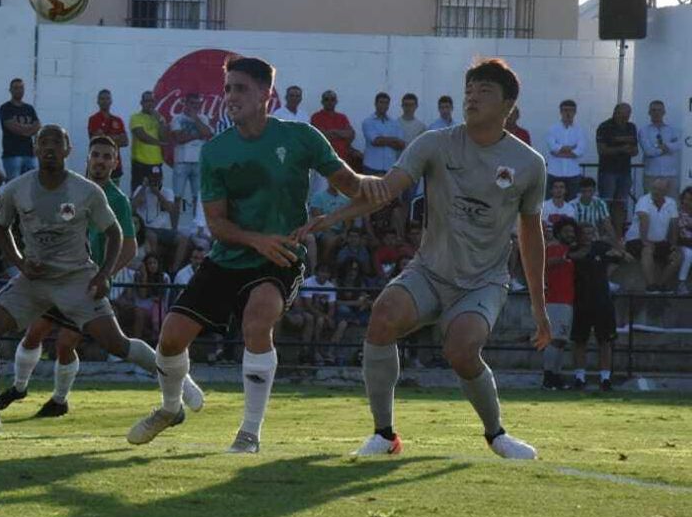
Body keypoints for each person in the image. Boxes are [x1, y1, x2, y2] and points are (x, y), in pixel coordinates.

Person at [298, 59, 548, 460]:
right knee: (383, 316)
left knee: (461, 350)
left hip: (483, 281)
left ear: (509, 106)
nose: (472, 96)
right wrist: (333, 216)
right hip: (429, 272)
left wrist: (540, 307)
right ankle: (384, 435)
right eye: (469, 88)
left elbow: (532, 235)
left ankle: (496, 434)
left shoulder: (530, 164)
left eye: (484, 90)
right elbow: (386, 188)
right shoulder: (434, 143)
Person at [130, 56, 368, 453]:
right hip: (230, 254)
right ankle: (171, 409)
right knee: (170, 339)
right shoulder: (216, 151)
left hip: (281, 259)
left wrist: (377, 184)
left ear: (265, 95)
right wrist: (256, 239)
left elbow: (349, 183)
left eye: (240, 88)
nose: (230, 96)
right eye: (227, 88)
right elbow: (217, 223)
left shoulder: (302, 137)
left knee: (258, 323)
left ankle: (249, 433)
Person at [0, 125, 163, 431]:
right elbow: (0, 226)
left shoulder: (88, 191)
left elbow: (115, 233)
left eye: (57, 142)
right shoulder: (17, 188)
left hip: (76, 280)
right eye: (44, 142)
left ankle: (174, 380)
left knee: (114, 344)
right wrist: (20, 262)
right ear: (35, 149)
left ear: (68, 150)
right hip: (34, 280)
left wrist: (105, 274)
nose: (50, 147)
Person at [0, 135, 200, 419]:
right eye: (97, 155)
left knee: (71, 342)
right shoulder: (71, 188)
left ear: (116, 162)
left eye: (107, 157)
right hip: (60, 276)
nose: (101, 161)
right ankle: (20, 388)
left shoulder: (116, 200)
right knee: (35, 333)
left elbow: (129, 246)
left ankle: (60, 399)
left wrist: (104, 275)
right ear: (88, 158)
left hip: (85, 283)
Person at [569, 222, 623, 390]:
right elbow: (571, 257)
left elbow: (622, 257)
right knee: (580, 340)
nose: (588, 235)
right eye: (585, 232)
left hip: (602, 300)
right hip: (582, 300)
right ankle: (579, 377)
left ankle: (605, 378)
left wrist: (614, 249)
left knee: (605, 340)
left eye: (591, 232)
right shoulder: (574, 249)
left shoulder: (601, 247)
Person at [540, 219, 578, 390]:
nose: (570, 234)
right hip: (555, 300)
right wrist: (564, 257)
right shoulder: (553, 248)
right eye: (566, 231)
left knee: (561, 340)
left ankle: (556, 376)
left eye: (572, 231)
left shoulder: (569, 250)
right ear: (559, 232)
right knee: (555, 339)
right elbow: (546, 264)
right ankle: (548, 377)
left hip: (566, 300)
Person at [625, 176, 678, 292]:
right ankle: (651, 286)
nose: (655, 191)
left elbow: (674, 224)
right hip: (636, 240)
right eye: (654, 188)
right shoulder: (644, 200)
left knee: (677, 256)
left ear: (666, 191)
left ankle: (661, 285)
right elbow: (644, 219)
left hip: (659, 241)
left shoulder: (671, 203)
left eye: (659, 189)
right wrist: (645, 241)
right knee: (647, 250)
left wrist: (674, 244)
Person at [596, 102, 639, 237]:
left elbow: (636, 150)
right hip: (608, 171)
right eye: (623, 115)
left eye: (628, 115)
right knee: (606, 205)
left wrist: (630, 150)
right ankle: (603, 235)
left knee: (621, 204)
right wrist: (621, 149)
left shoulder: (631, 127)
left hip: (625, 171)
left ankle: (619, 236)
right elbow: (601, 150)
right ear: (615, 112)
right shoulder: (604, 127)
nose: (625, 118)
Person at [169, 92, 214, 216]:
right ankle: (174, 230)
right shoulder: (177, 118)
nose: (195, 106)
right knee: (177, 197)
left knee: (198, 198)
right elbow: (179, 138)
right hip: (181, 162)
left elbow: (207, 133)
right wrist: (198, 135)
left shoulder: (203, 118)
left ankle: (195, 229)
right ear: (186, 103)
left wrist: (195, 119)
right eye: (192, 103)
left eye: (197, 104)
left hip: (198, 162)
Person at [131, 167, 180, 271]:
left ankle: (175, 268)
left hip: (165, 229)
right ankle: (156, 268)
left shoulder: (168, 191)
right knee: (152, 236)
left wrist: (157, 193)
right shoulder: (141, 189)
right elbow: (133, 206)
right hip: (147, 228)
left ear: (162, 178)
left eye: (158, 177)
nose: (155, 180)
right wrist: (144, 187)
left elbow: (170, 209)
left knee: (184, 238)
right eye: (153, 178)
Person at [0, 78, 41, 179]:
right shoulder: (5, 108)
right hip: (12, 154)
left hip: (29, 154)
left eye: (21, 88)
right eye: (16, 88)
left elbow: (38, 126)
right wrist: (28, 130)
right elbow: (12, 127)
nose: (19, 90)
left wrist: (23, 130)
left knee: (30, 185)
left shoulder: (29, 108)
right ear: (10, 90)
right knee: (14, 186)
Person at [544, 99, 585, 198]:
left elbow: (580, 151)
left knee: (571, 204)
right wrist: (572, 148)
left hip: (573, 174)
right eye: (565, 110)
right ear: (560, 112)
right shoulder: (552, 129)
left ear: (575, 112)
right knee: (551, 203)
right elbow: (553, 148)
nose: (568, 113)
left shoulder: (580, 130)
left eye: (571, 110)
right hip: (554, 172)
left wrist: (560, 152)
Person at [128, 90, 166, 196]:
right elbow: (142, 136)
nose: (150, 103)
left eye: (152, 101)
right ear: (142, 103)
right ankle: (136, 213)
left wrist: (162, 122)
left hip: (156, 163)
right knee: (138, 194)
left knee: (156, 195)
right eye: (147, 101)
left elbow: (164, 137)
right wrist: (160, 143)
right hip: (140, 163)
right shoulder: (135, 117)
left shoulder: (158, 118)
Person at [88, 88, 128, 183]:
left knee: (113, 195)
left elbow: (125, 141)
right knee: (95, 194)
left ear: (111, 101)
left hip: (115, 165)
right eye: (102, 99)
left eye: (107, 98)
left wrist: (106, 136)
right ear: (97, 101)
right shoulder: (93, 119)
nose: (105, 101)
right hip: (97, 165)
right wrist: (116, 137)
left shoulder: (118, 120)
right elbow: (97, 140)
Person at [639, 100, 682, 185]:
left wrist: (659, 147)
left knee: (671, 198)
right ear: (649, 112)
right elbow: (649, 151)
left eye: (659, 110)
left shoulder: (673, 130)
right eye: (654, 110)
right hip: (651, 175)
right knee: (651, 198)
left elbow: (678, 145)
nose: (656, 113)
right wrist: (668, 148)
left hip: (670, 175)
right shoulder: (643, 130)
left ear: (664, 112)